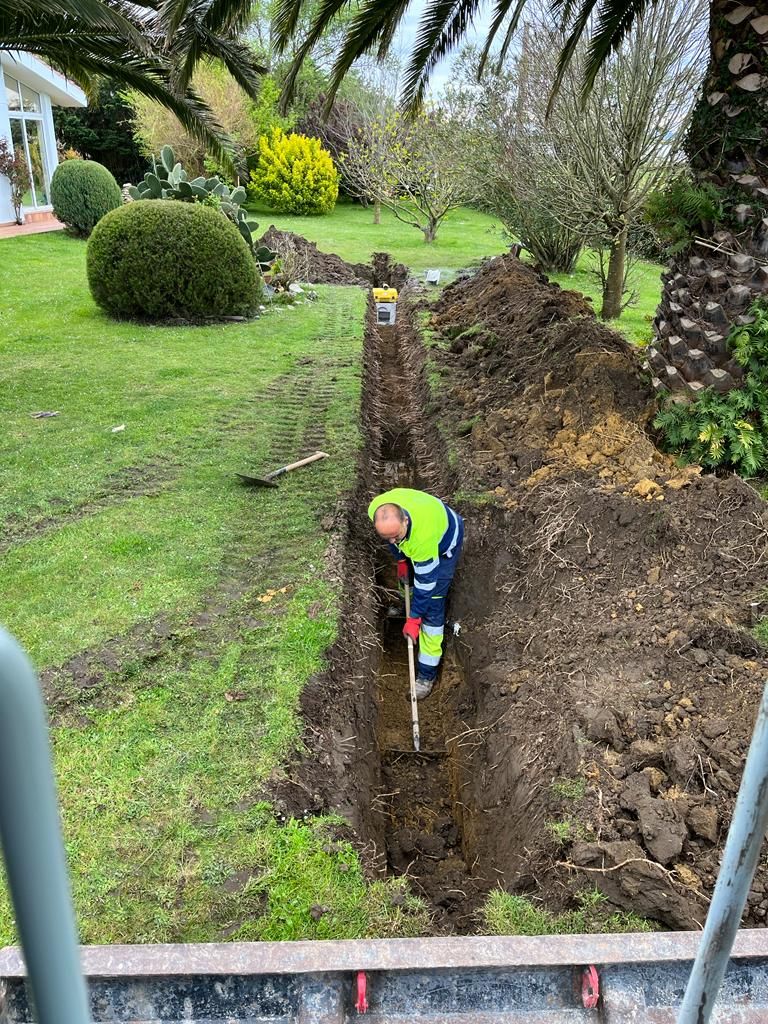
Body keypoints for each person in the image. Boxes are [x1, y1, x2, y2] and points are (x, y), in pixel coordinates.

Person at [368, 487, 464, 699]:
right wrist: (400, 556)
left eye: (396, 536)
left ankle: (426, 676)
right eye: (388, 538)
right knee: (407, 580)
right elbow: (394, 540)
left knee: (432, 608)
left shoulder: (423, 538)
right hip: (418, 536)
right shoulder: (376, 509)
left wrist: (415, 618)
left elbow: (427, 584)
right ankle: (407, 604)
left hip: (445, 543)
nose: (392, 541)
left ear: (405, 520)